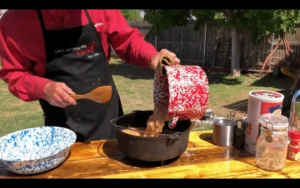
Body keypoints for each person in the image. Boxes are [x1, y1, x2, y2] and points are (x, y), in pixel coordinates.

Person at [0, 9, 180, 142]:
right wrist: (42, 87)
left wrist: (151, 57)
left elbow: (127, 41)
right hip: (62, 126)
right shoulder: (15, 21)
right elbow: (14, 73)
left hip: (108, 118)